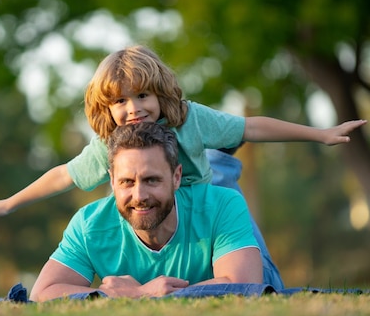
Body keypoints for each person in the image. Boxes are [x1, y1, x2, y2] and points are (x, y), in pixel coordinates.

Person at [0, 45, 366, 288]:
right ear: (107, 108)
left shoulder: (190, 119)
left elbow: (252, 125)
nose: (133, 109)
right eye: (121, 102)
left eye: (142, 95)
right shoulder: (109, 145)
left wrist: (320, 133)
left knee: (253, 264)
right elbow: (63, 175)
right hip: (166, 203)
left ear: (160, 92)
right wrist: (10, 203)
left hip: (207, 190)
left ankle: (223, 159)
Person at [29, 122, 263, 301]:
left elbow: (246, 286)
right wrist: (135, 293)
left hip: (207, 195)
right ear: (111, 181)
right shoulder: (88, 224)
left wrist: (151, 293)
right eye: (127, 182)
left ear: (176, 176)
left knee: (218, 172)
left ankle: (218, 158)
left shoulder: (223, 204)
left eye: (152, 180)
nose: (139, 196)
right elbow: (42, 293)